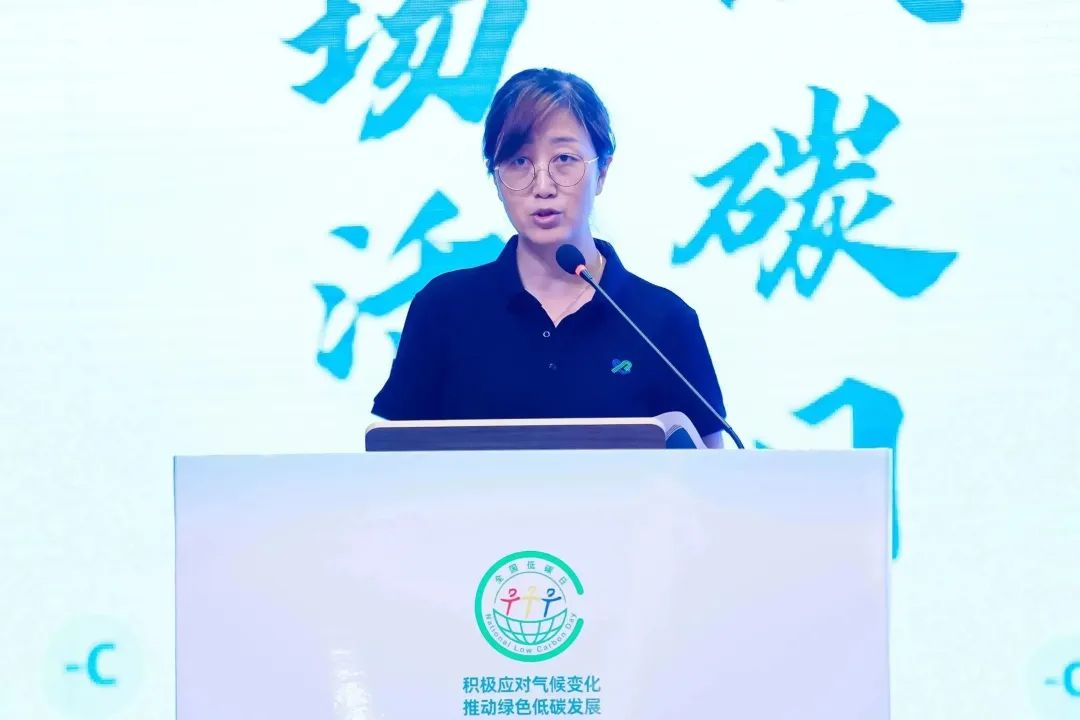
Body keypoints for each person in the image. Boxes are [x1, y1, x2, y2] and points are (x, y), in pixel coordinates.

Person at [372, 68, 729, 447]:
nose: (543, 186)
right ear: (496, 178)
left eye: (564, 159)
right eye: (519, 162)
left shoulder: (663, 320)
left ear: (602, 171)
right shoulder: (443, 308)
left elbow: (711, 468)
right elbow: (391, 459)